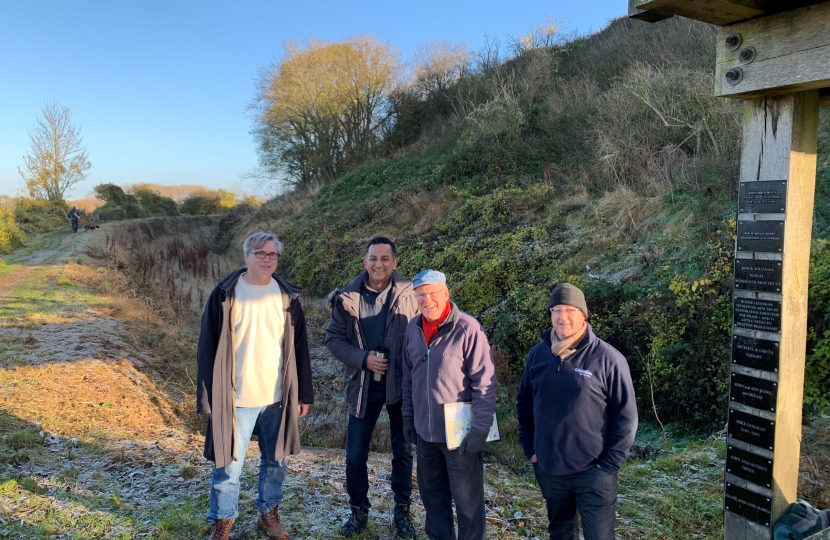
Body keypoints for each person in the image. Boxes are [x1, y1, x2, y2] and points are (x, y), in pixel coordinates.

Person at [196, 232, 314, 540]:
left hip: (277, 398)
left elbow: (300, 348)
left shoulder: (287, 297)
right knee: (229, 467)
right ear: (247, 256)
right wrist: (208, 397)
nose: (266, 259)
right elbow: (207, 348)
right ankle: (223, 522)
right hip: (236, 398)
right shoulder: (225, 293)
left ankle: (268, 516)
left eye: (272, 254)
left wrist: (303, 394)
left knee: (276, 463)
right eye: (260, 253)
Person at [516, 283, 637, 540]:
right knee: (560, 534)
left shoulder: (607, 358)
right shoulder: (538, 355)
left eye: (570, 310)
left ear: (583, 314)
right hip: (550, 470)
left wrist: (608, 465)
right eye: (556, 310)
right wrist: (531, 450)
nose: (563, 317)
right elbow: (524, 402)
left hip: (594, 472)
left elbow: (626, 416)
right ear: (550, 315)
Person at [325, 236, 419, 538]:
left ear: (395, 263)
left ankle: (402, 512)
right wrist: (363, 359)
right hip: (363, 386)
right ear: (364, 262)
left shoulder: (411, 295)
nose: (379, 264)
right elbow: (333, 340)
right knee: (355, 456)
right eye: (373, 258)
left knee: (402, 452)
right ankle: (358, 512)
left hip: (400, 386)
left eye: (385, 259)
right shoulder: (347, 297)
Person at [401, 269, 498, 540]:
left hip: (460, 436)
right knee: (433, 502)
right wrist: (409, 417)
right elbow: (408, 377)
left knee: (468, 504)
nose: (427, 300)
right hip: (425, 434)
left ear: (446, 294)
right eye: (421, 295)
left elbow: (485, 383)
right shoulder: (413, 328)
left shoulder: (468, 328)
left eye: (433, 293)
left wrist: (480, 429)